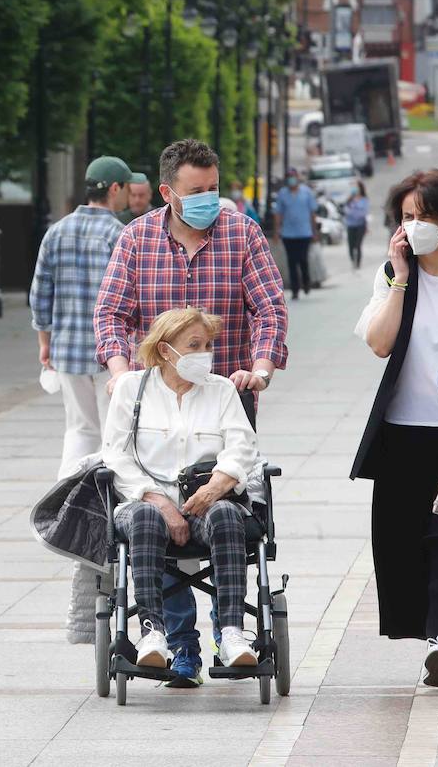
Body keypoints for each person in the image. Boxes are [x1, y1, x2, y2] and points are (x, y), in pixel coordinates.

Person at [94, 138, 289, 687]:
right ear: (167, 192)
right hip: (152, 401)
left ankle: (232, 633)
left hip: (224, 399)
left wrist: (259, 368)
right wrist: (118, 374)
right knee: (155, 519)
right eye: (197, 192)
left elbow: (269, 308)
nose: (209, 200)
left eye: (214, 189)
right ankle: (177, 643)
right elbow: (110, 312)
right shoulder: (136, 240)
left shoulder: (241, 233)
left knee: (221, 515)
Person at [350, 169, 438, 688]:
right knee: (405, 543)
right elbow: (380, 343)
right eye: (408, 218)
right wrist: (399, 276)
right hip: (403, 433)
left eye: (426, 217)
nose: (416, 227)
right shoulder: (394, 278)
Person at [100, 308, 262, 671]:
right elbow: (115, 455)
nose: (205, 353)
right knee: (144, 517)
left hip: (206, 502)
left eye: (208, 345)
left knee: (224, 514)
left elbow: (242, 446)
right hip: (145, 505)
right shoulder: (131, 389)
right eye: (194, 345)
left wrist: (217, 486)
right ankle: (153, 631)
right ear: (163, 350)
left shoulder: (220, 390)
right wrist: (157, 500)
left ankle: (232, 633)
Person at [30, 155, 138, 643]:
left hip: (69, 349)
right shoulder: (117, 234)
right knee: (111, 431)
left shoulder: (57, 231)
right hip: (108, 352)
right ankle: (103, 493)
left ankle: (66, 493)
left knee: (78, 428)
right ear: (113, 189)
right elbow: (127, 295)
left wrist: (44, 340)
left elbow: (41, 289)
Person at [272, 168, 319, 300]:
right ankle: (295, 289)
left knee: (303, 259)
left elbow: (312, 213)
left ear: (297, 177)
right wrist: (277, 231)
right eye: (289, 177)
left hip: (304, 232)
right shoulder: (282, 194)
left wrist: (315, 231)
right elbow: (278, 214)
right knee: (291, 262)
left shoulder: (307, 192)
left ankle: (306, 281)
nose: (291, 179)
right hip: (288, 233)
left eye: (293, 176)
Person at [345, 181, 371, 270]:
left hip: (360, 225)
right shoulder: (349, 200)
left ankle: (358, 263)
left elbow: (364, 212)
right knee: (350, 244)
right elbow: (346, 211)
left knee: (358, 244)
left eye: (356, 187)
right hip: (350, 225)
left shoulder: (364, 199)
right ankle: (353, 260)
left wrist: (354, 212)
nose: (355, 189)